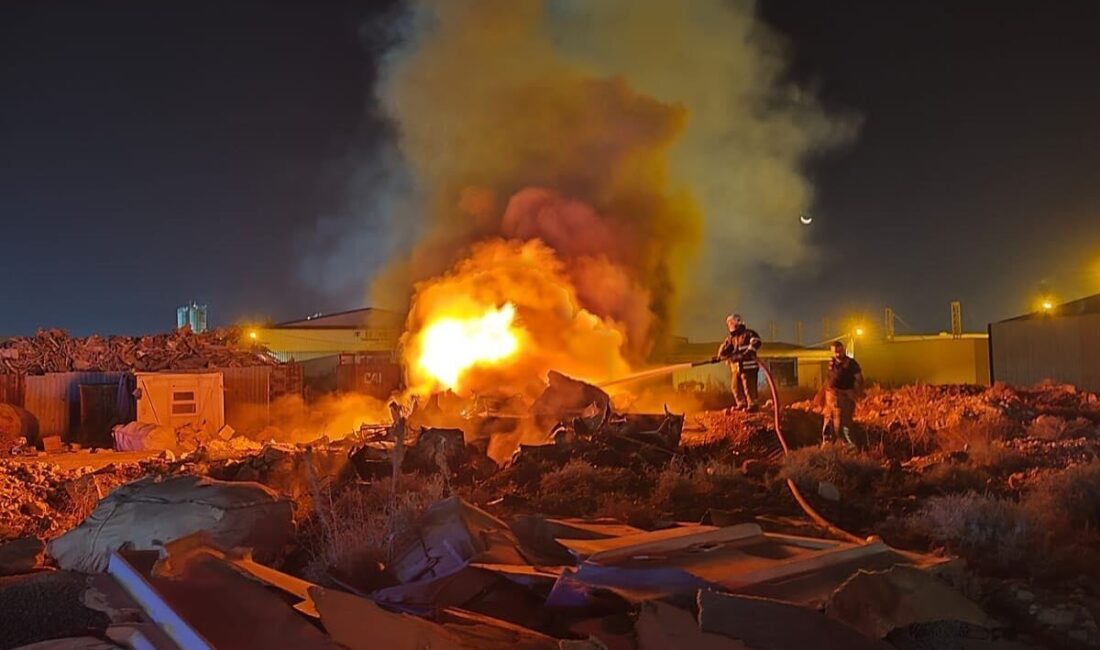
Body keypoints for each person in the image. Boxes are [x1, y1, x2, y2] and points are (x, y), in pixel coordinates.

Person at [716, 314, 763, 413]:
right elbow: (725, 351)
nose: (729, 325)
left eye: (730, 323)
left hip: (749, 367)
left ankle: (753, 405)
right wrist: (720, 355)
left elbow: (756, 342)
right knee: (735, 387)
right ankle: (741, 404)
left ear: (735, 323)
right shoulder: (732, 339)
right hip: (736, 368)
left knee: (749, 386)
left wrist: (746, 354)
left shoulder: (749, 334)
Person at [822, 340, 865, 447]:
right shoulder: (832, 363)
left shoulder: (851, 364)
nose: (837, 354)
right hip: (831, 398)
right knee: (828, 423)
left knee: (845, 425)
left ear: (843, 349)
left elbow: (860, 379)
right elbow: (829, 379)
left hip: (845, 398)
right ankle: (828, 446)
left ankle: (850, 448)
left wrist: (856, 393)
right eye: (835, 352)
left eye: (839, 351)